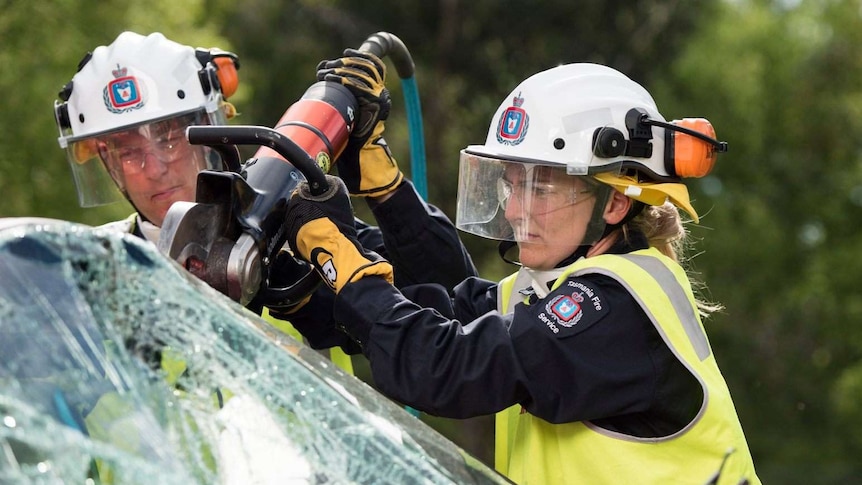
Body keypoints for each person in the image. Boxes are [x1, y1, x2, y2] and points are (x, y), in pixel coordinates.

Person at [283, 62, 761, 484]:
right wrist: (382, 189)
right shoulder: (558, 289)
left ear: (614, 201)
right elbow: (443, 296)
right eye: (511, 185)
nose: (514, 211)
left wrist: (337, 256)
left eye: (541, 189)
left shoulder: (614, 307)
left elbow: (446, 367)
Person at [53, 32, 477, 364]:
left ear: (210, 129)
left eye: (168, 140)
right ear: (106, 163)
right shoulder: (88, 271)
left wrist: (390, 193)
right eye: (128, 152)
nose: (154, 166)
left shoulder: (298, 231)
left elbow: (456, 305)